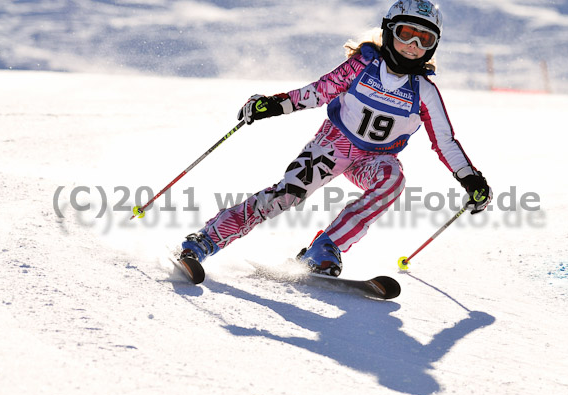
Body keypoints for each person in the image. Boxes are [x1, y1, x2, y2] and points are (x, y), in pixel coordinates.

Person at [180, 0, 492, 278]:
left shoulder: (424, 91)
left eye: (424, 39)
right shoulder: (362, 66)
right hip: (333, 145)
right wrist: (273, 104)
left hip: (374, 159)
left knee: (392, 180)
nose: (412, 45)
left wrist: (470, 179)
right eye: (406, 33)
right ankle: (208, 239)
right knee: (286, 195)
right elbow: (318, 92)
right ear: (389, 31)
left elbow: (445, 141)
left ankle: (325, 248)